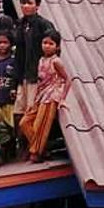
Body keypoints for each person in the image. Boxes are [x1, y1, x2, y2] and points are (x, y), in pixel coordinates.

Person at [19, 30, 71, 163]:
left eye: (51, 43)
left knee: (41, 125)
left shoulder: (56, 61)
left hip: (52, 95)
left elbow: (67, 79)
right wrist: (34, 100)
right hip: (41, 94)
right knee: (24, 122)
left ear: (57, 47)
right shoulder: (41, 60)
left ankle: (36, 153)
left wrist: (62, 99)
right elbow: (40, 81)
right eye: (45, 43)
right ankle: (41, 149)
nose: (47, 46)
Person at [11, 0, 54, 129]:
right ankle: (20, 147)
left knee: (30, 114)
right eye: (23, 3)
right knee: (18, 113)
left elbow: (53, 51)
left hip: (37, 77)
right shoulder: (20, 24)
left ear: (37, 5)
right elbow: (17, 53)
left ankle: (34, 148)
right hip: (22, 76)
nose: (25, 6)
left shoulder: (44, 25)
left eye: (29, 3)